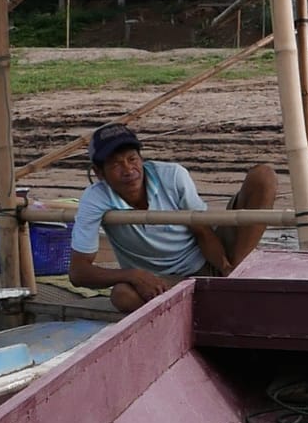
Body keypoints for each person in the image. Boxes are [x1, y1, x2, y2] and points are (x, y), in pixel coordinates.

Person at [67, 122, 278, 310]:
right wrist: (132, 275)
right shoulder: (94, 199)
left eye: (132, 159)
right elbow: (78, 273)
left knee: (263, 176)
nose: (128, 170)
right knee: (122, 295)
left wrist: (225, 268)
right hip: (162, 283)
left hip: (210, 259)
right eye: (115, 164)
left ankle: (234, 279)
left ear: (141, 159)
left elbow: (202, 231)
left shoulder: (173, 175)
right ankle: (195, 304)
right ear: (99, 173)